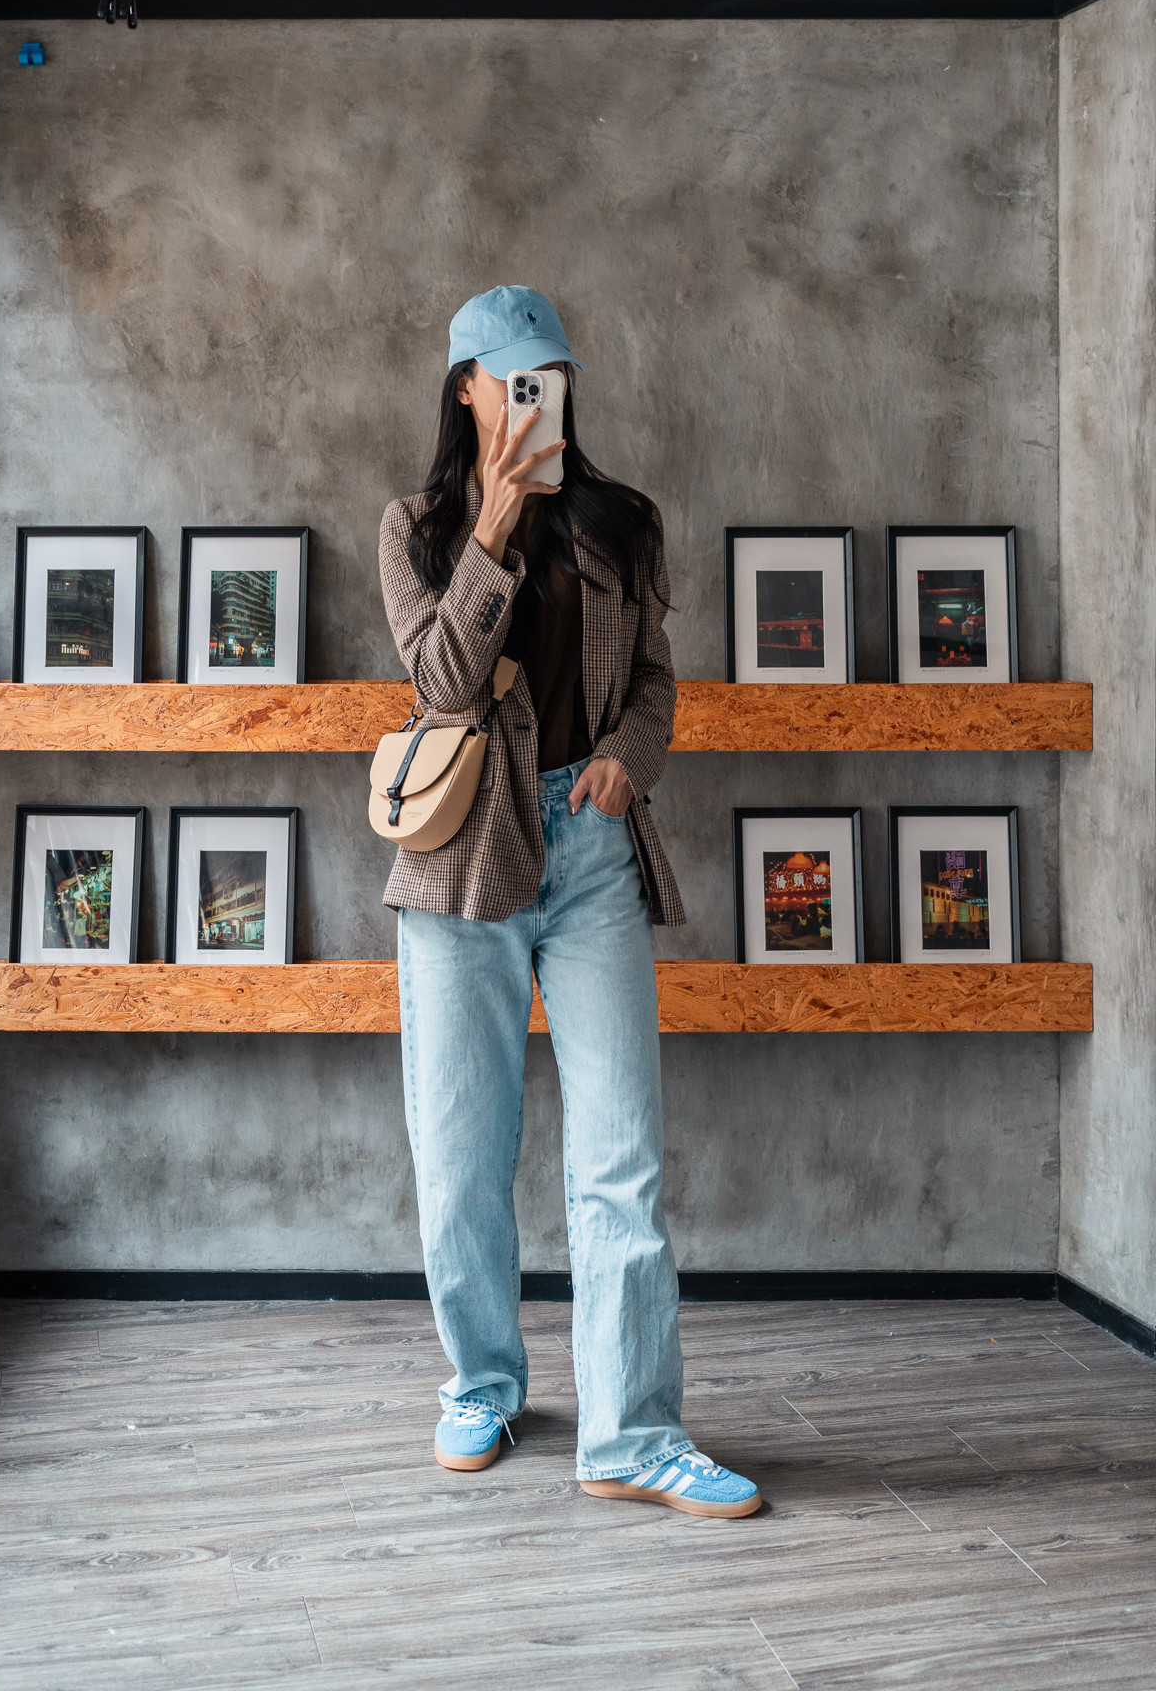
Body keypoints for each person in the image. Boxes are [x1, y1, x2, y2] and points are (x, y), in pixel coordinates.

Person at [377, 285, 761, 1520]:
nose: (535, 394)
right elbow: (443, 685)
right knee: (459, 1159)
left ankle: (631, 1435)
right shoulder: (416, 528)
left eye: (549, 376)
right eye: (512, 377)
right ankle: (482, 1381)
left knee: (618, 1159)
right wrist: (493, 521)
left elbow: (652, 681)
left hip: (590, 847)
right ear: (466, 389)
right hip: (462, 860)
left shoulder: (621, 522)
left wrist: (627, 761)